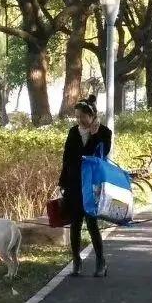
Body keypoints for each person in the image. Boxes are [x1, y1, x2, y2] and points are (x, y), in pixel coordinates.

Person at [58, 94, 112, 277]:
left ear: (92, 115)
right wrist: (62, 183)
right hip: (74, 185)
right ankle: (76, 261)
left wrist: (95, 136)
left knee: (92, 224)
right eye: (77, 116)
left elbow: (98, 157)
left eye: (83, 116)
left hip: (92, 186)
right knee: (75, 224)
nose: (79, 120)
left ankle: (100, 261)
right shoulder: (73, 132)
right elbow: (66, 159)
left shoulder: (105, 133)